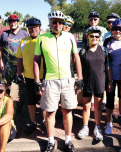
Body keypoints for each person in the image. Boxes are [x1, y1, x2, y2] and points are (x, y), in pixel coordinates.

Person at [33, 10, 83, 152]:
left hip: (68, 79)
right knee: (50, 112)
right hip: (50, 80)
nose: (57, 24)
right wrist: (37, 81)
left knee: (68, 111)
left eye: (60, 22)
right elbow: (36, 60)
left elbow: (76, 57)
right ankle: (50, 141)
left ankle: (68, 140)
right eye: (54, 21)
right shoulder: (42, 38)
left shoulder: (70, 37)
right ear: (49, 22)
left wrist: (80, 78)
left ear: (63, 23)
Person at [77, 26, 113, 141]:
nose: (94, 38)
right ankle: (85, 127)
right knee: (86, 106)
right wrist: (79, 80)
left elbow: (107, 68)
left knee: (97, 106)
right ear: (88, 37)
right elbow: (79, 67)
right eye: (92, 36)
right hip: (87, 82)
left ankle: (97, 128)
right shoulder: (83, 51)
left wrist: (110, 81)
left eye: (97, 36)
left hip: (100, 81)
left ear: (99, 38)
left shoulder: (103, 50)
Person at [16, 18, 46, 135]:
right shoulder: (23, 41)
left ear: (39, 27)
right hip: (29, 77)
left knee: (44, 101)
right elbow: (19, 58)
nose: (32, 29)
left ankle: (44, 121)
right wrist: (19, 74)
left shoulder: (44, 40)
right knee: (31, 101)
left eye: (35, 27)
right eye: (30, 27)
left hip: (44, 76)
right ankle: (33, 122)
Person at [0, 14, 29, 87]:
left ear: (18, 23)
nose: (12, 23)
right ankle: (7, 97)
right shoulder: (4, 34)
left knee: (22, 82)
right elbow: (1, 48)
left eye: (14, 22)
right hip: (8, 63)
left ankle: (22, 98)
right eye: (11, 22)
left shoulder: (25, 34)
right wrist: (1, 61)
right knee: (6, 83)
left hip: (22, 63)